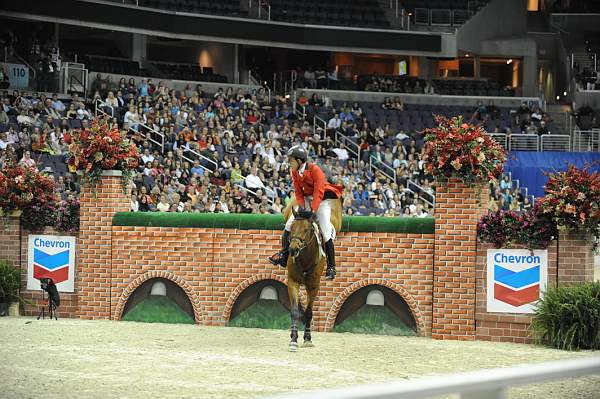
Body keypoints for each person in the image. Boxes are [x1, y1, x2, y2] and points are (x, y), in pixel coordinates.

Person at [268, 145, 343, 280]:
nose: (289, 163)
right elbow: (298, 192)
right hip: (307, 200)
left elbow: (318, 192)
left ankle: (331, 267)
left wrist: (312, 211)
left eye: (291, 160)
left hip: (321, 201)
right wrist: (302, 208)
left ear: (299, 160)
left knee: (326, 232)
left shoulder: (315, 170)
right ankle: (284, 255)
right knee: (289, 225)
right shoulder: (295, 172)